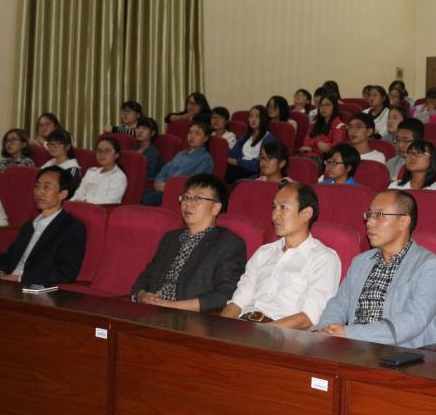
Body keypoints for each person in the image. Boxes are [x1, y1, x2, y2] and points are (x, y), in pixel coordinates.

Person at [316, 190, 436, 348]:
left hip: (401, 354)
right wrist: (329, 329)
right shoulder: (361, 262)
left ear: (404, 221)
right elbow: (339, 304)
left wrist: (349, 333)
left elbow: (413, 321)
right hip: (351, 348)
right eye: (369, 215)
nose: (369, 222)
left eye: (379, 215)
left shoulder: (430, 266)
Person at [220, 183, 340, 327]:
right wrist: (221, 327)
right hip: (245, 326)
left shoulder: (324, 259)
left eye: (283, 207)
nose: (275, 215)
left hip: (282, 333)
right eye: (274, 207)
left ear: (306, 214)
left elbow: (309, 316)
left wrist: (262, 332)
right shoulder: (263, 252)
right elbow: (238, 301)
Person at [132, 175, 246, 311]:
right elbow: (144, 278)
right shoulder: (170, 238)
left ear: (216, 207)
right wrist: (142, 296)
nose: (188, 204)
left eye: (198, 198)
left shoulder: (229, 244)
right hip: (151, 311)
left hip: (190, 318)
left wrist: (170, 305)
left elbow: (225, 294)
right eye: (186, 197)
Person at [0, 166, 86, 284]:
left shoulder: (72, 228)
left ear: (62, 194)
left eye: (46, 187)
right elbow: (10, 256)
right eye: (37, 186)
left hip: (36, 288)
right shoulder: (29, 225)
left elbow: (65, 273)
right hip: (9, 282)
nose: (39, 192)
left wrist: (19, 278)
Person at [143, 121, 214, 205]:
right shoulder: (181, 154)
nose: (192, 136)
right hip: (163, 189)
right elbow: (165, 169)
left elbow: (195, 183)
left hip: (180, 193)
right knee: (138, 194)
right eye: (190, 132)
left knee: (143, 201)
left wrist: (168, 187)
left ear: (205, 138)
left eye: (197, 134)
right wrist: (159, 182)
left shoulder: (205, 159)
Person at [72, 136, 128, 204]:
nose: (102, 154)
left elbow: (109, 201)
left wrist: (83, 201)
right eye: (99, 151)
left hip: (100, 209)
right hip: (80, 206)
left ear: (116, 155)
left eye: (107, 151)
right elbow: (79, 192)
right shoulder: (91, 171)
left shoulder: (119, 177)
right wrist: (72, 203)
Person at [226, 105, 274, 183]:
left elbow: (262, 163)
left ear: (263, 119)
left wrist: (237, 162)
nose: (253, 120)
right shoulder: (245, 136)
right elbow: (232, 153)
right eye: (251, 116)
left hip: (254, 172)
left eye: (257, 117)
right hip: (239, 168)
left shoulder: (269, 139)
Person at [299, 93, 347, 161]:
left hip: (325, 160)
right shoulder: (314, 124)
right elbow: (305, 143)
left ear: (334, 107)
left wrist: (312, 148)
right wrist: (318, 144)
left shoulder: (339, 126)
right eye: (321, 105)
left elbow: (334, 149)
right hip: (307, 156)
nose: (324, 108)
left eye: (327, 105)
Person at [134, 116, 164, 182]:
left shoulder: (154, 155)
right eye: (138, 128)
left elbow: (149, 178)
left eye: (144, 128)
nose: (140, 131)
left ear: (152, 133)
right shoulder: (132, 149)